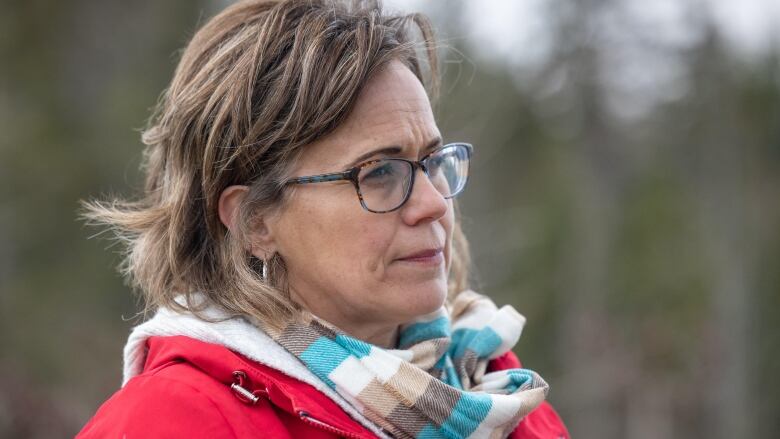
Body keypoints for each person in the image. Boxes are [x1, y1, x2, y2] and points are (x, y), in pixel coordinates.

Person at [77, 0, 570, 437]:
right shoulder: (171, 423)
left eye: (432, 162)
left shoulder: (494, 391)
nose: (435, 204)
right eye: (379, 172)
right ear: (256, 223)